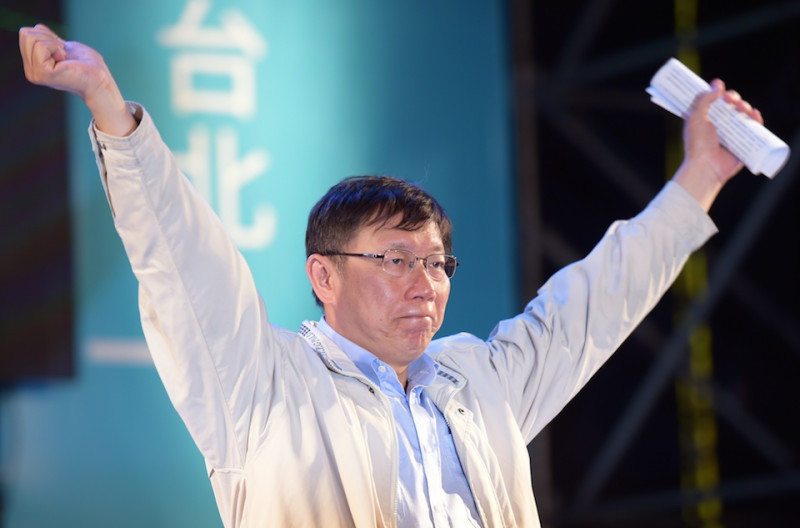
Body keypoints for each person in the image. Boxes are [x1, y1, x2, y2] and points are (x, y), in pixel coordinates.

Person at [20, 23, 764, 528]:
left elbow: (596, 303)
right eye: (396, 260)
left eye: (436, 263)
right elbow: (181, 260)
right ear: (324, 275)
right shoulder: (265, 383)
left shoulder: (478, 382)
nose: (425, 283)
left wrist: (700, 175)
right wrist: (106, 103)